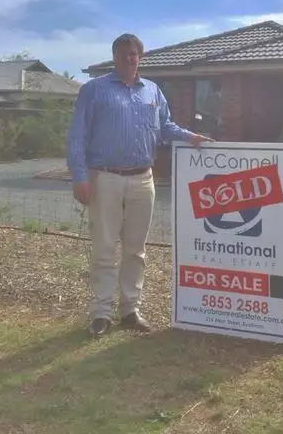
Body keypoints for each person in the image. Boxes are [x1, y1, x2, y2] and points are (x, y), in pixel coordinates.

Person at [66, 33, 212, 338]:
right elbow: (77, 135)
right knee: (104, 248)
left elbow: (166, 126)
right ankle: (102, 313)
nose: (129, 58)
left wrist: (190, 137)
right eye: (123, 54)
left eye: (134, 54)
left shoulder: (153, 92)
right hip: (104, 177)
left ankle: (130, 309)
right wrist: (79, 177)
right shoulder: (94, 91)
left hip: (143, 179)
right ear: (114, 57)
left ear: (140, 57)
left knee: (136, 250)